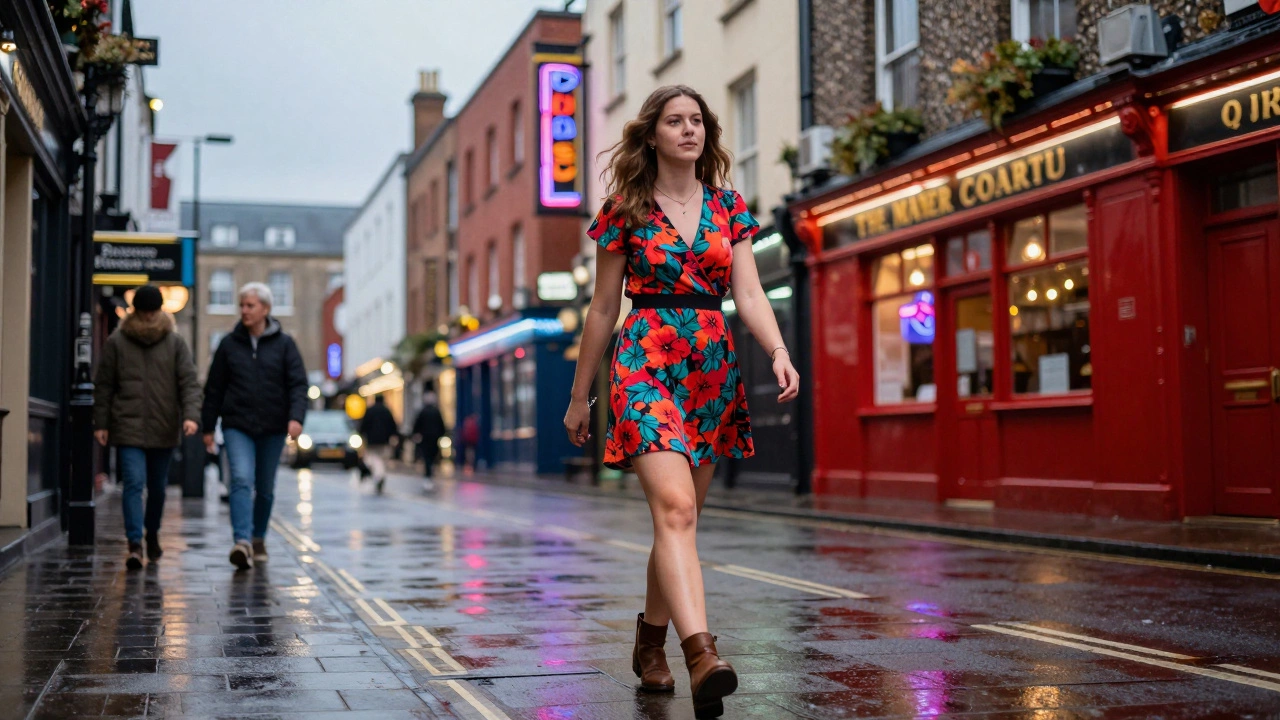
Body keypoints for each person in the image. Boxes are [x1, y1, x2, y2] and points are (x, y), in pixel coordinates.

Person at [564, 86, 799, 719]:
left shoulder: (730, 206)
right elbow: (602, 308)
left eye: (697, 121)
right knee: (674, 508)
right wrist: (580, 395)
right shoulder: (625, 208)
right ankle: (702, 654)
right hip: (645, 361)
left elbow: (748, 294)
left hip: (711, 368)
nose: (689, 130)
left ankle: (648, 647)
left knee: (680, 519)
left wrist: (777, 349)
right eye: (675, 121)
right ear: (654, 135)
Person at [93, 285, 202, 570]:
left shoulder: (174, 342)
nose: (150, 317)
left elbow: (188, 383)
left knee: (158, 488)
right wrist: (101, 423)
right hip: (127, 426)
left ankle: (151, 532)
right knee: (133, 483)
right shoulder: (117, 342)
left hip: (163, 426)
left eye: (154, 312)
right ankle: (134, 544)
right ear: (136, 312)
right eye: (145, 312)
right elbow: (104, 385)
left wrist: (191, 416)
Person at [202, 282, 307, 570]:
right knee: (240, 479)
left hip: (273, 427)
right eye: (242, 305)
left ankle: (258, 537)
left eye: (250, 305)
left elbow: (298, 384)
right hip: (237, 425)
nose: (244, 311)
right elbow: (214, 388)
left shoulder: (285, 345)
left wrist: (296, 417)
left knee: (265, 488)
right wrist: (208, 428)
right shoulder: (228, 344)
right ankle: (242, 541)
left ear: (266, 309)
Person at [358, 394, 400, 494]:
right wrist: (394, 436)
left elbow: (363, 425)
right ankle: (379, 475)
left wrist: (362, 435)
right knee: (381, 459)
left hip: (371, 441)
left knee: (373, 459)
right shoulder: (387, 411)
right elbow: (393, 425)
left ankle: (378, 476)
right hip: (384, 441)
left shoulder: (370, 410)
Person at [411, 390, 446, 490]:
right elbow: (442, 426)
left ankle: (428, 475)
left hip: (425, 438)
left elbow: (417, 425)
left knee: (427, 458)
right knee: (431, 457)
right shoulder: (436, 411)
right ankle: (429, 475)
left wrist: (416, 434)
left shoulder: (423, 411)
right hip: (434, 438)